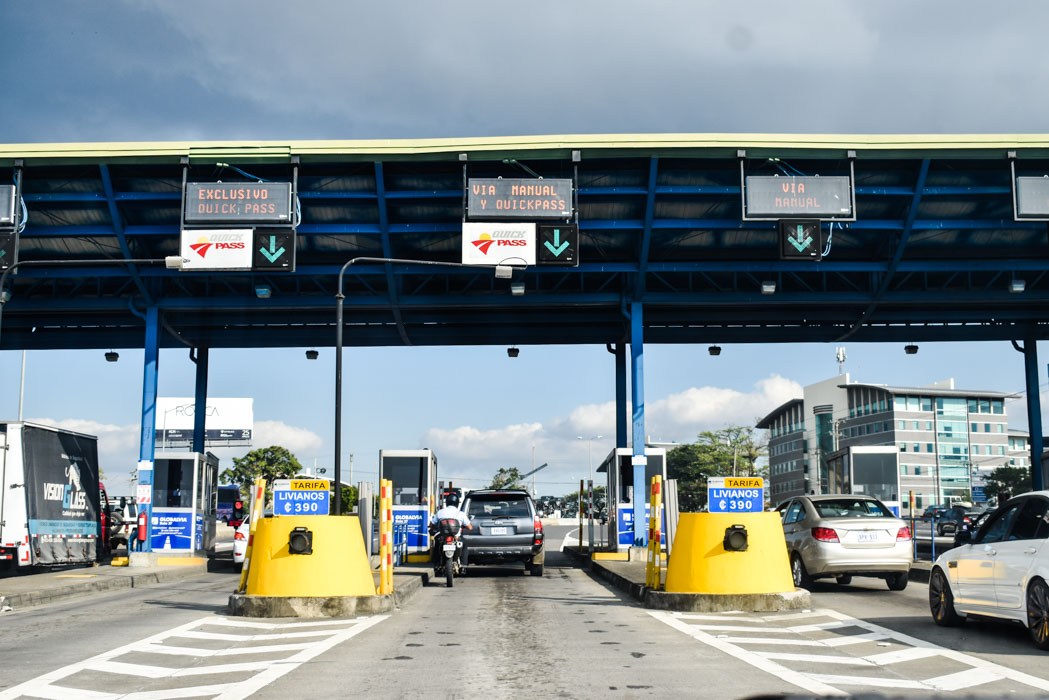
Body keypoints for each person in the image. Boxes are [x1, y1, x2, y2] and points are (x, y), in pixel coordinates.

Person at [429, 493, 472, 566]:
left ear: (447, 503)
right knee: (465, 544)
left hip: (443, 537)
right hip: (456, 537)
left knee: (437, 545)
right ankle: (463, 565)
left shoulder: (440, 512)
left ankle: (436, 563)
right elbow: (470, 527)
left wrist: (432, 528)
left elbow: (432, 524)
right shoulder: (461, 514)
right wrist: (463, 527)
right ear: (457, 503)